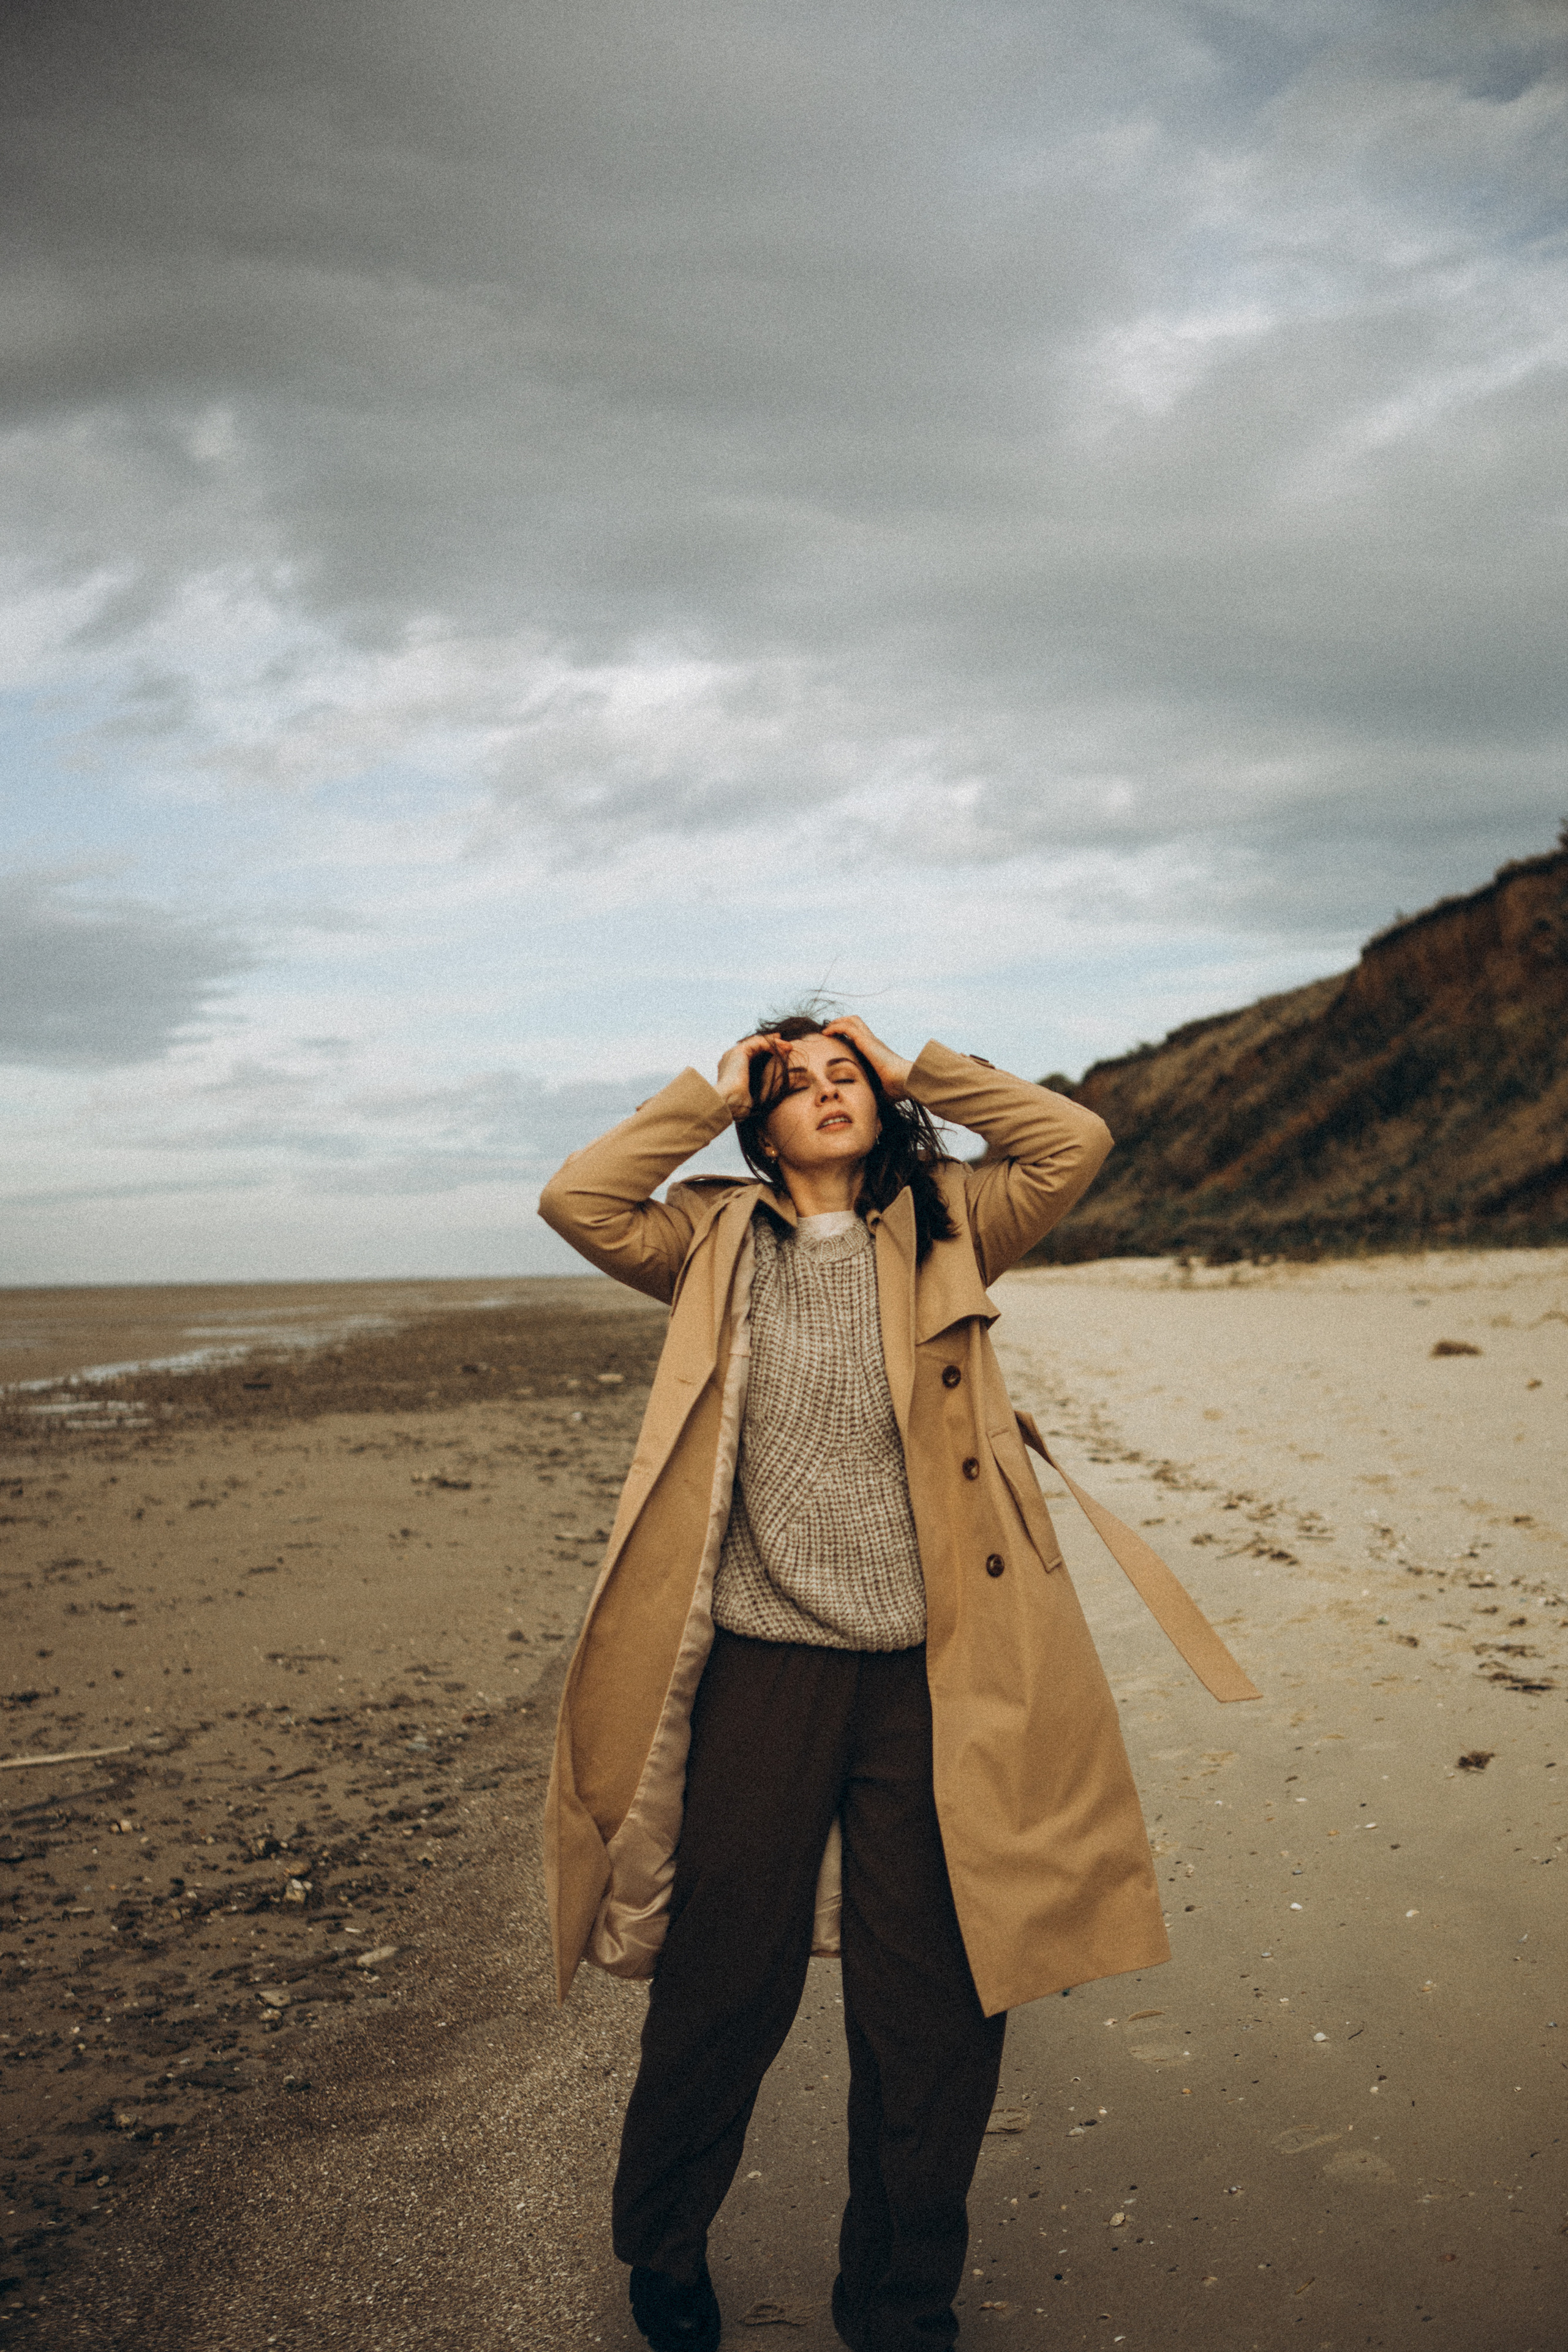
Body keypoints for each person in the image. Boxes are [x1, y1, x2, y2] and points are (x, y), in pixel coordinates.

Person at [538, 1014, 1172, 2352]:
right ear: (757, 1125)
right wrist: (709, 1095)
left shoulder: (951, 1219)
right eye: (795, 1087)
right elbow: (576, 1197)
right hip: (765, 1671)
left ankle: (899, 2304)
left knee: (932, 2006)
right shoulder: (707, 1240)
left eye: (845, 1082)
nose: (826, 1098)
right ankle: (662, 2250)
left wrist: (910, 1069)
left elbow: (1076, 1140)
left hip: (938, 1677)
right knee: (721, 1986)